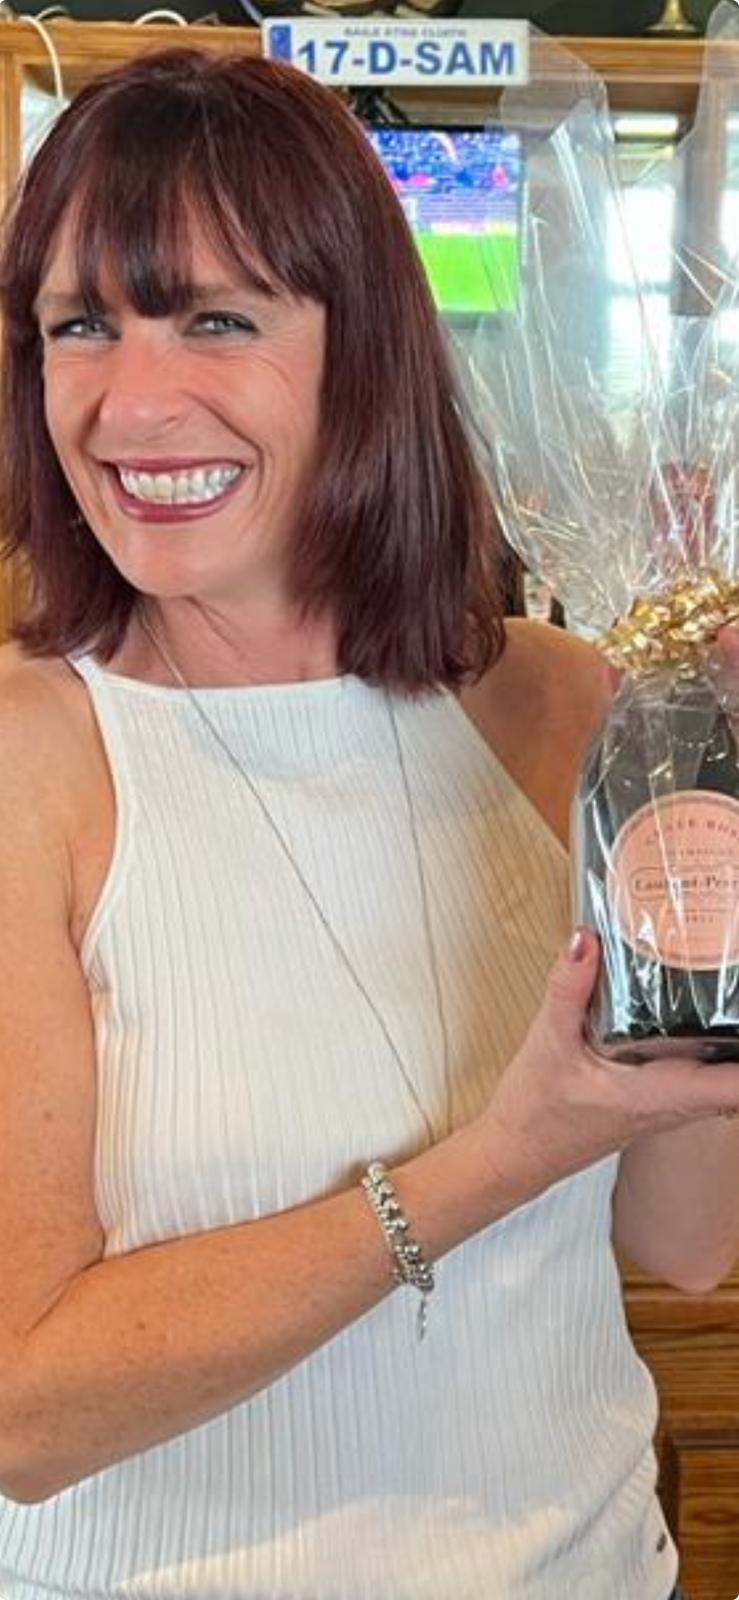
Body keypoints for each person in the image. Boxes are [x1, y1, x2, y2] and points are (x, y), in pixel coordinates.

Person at [0, 47, 734, 1600]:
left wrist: (717, 909)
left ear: (365, 352)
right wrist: (497, 1161)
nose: (134, 404)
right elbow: (26, 1410)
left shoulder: (558, 702)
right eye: (80, 326)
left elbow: (690, 1241)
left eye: (218, 319)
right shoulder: (32, 757)